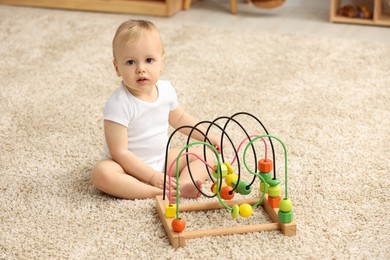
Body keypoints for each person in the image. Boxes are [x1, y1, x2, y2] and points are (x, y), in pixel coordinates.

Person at [91, 20, 220, 200]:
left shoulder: (166, 90)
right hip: (126, 168)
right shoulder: (118, 104)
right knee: (101, 173)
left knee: (204, 153)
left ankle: (183, 186)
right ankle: (159, 192)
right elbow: (119, 152)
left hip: (161, 161)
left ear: (161, 63)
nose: (141, 69)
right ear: (117, 68)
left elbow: (180, 118)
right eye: (130, 62)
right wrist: (152, 177)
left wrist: (207, 136)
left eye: (149, 60)